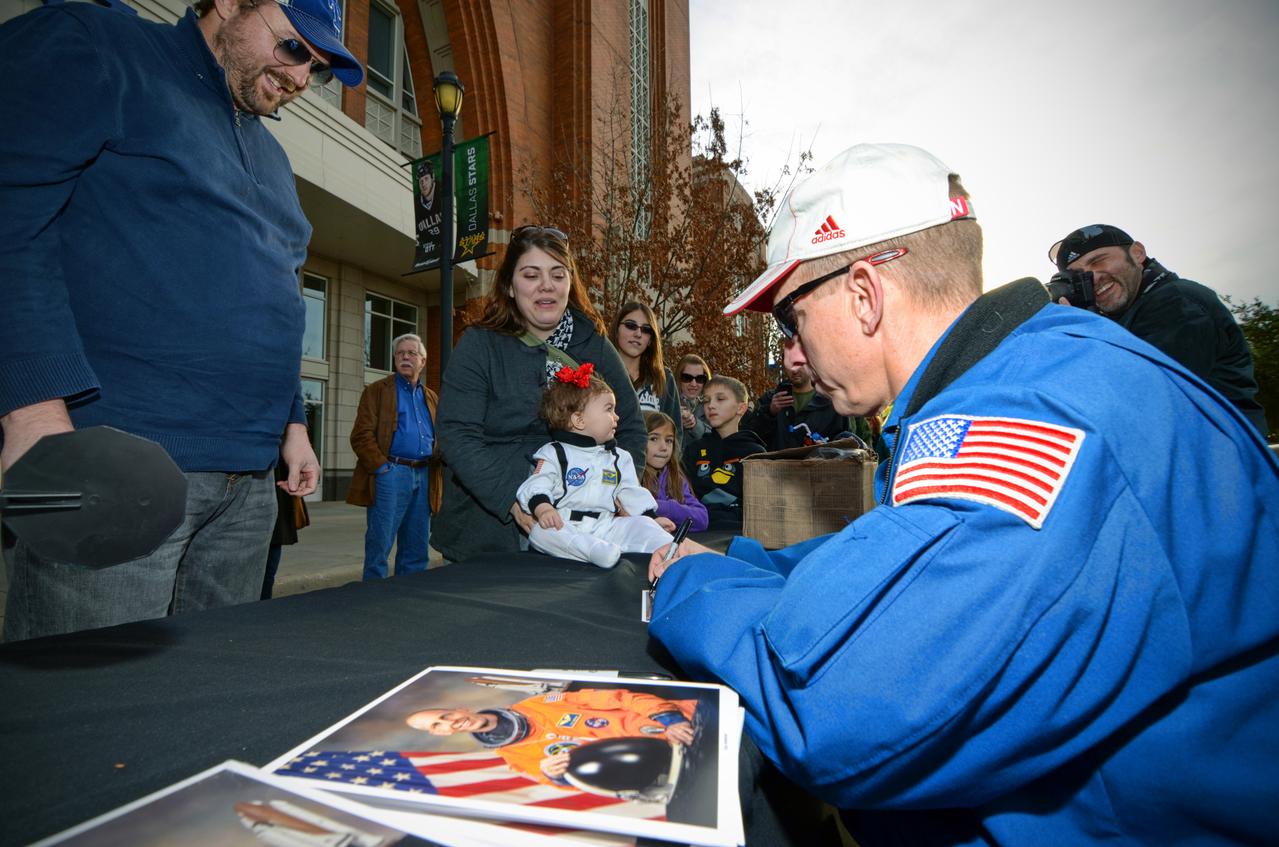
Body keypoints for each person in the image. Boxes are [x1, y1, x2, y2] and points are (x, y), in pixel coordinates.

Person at [646, 143, 1279, 846]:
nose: (792, 354)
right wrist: (743, 563)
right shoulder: (1020, 376)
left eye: (790, 320)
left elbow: (840, 710)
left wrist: (691, 586)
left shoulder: (1028, 420)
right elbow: (899, 561)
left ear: (864, 294)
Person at [0, 0, 363, 641]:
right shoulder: (97, 47)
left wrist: (292, 425)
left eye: (320, 66)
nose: (304, 77)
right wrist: (30, 410)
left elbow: (276, 296)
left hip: (248, 491)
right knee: (90, 714)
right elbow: (11, 219)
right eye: (292, 48)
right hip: (120, 468)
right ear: (227, 4)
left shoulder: (275, 161)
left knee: (209, 701)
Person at [432, 226, 646, 563]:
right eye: (531, 275)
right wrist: (513, 500)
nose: (546, 285)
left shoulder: (594, 344)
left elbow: (631, 428)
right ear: (510, 287)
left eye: (557, 275)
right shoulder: (479, 344)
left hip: (583, 532)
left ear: (569, 283)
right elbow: (457, 434)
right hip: (486, 530)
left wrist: (618, 490)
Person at [1049, 224, 1268, 436]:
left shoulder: (1178, 301)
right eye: (1079, 275)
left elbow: (1141, 400)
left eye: (1098, 261)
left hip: (1222, 462)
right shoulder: (1122, 321)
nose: (1093, 278)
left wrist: (1080, 334)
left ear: (1137, 253)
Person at [514, 364, 671, 568]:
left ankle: (666, 547)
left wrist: (651, 519)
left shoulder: (618, 457)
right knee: (542, 532)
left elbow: (631, 492)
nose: (617, 417)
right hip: (565, 523)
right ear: (579, 420)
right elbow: (537, 483)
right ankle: (593, 550)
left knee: (640, 525)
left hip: (606, 525)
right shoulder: (554, 452)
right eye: (609, 409)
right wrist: (543, 508)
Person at [406, 688, 697, 789]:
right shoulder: (518, 760)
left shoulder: (542, 703)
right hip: (672, 766)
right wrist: (557, 776)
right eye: (438, 725)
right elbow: (587, 782)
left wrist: (668, 719)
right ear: (442, 734)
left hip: (688, 723)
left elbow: (621, 698)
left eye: (445, 715)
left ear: (459, 709)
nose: (451, 722)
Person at [345, 334, 440, 580]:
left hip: (424, 473)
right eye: (400, 353)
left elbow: (439, 436)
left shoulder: (431, 397)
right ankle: (372, 598)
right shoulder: (377, 391)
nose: (405, 357)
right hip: (391, 473)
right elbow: (361, 435)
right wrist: (382, 469)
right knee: (380, 544)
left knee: (417, 546)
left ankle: (409, 597)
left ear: (423, 361)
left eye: (411, 353)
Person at [749, 337, 871, 451]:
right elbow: (751, 438)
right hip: (778, 472)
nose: (794, 369)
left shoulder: (833, 402)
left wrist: (828, 448)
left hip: (819, 471)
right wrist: (769, 412)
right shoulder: (771, 399)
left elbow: (850, 443)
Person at [681, 376, 766, 530]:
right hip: (698, 530)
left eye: (720, 399)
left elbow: (761, 507)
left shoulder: (755, 453)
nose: (711, 405)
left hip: (739, 531)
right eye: (706, 400)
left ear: (741, 408)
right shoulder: (693, 450)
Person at [611, 302, 682, 433]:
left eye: (646, 329)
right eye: (630, 326)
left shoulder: (664, 378)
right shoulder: (599, 373)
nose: (638, 334)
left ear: (650, 340)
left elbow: (675, 432)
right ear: (616, 330)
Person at [641, 411, 708, 532]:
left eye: (669, 441)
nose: (664, 447)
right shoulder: (629, 475)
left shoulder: (674, 475)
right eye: (654, 438)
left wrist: (665, 508)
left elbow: (702, 518)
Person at [675, 354, 712, 441]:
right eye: (687, 378)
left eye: (700, 378)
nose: (693, 384)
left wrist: (695, 424)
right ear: (679, 378)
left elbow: (715, 437)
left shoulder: (712, 405)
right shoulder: (668, 403)